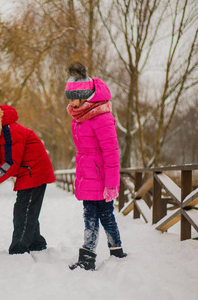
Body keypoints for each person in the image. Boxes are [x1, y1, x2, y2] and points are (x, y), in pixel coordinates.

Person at [0, 99, 56, 255]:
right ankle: (37, 243)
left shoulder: (9, 130)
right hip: (26, 171)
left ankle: (18, 250)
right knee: (27, 210)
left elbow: (9, 164)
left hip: (34, 170)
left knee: (23, 211)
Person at [64, 62, 127, 271]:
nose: (70, 103)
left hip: (100, 179)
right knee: (92, 215)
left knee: (103, 216)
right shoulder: (80, 117)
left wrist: (111, 184)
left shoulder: (101, 117)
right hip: (88, 176)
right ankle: (111, 252)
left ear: (84, 96)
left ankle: (94, 256)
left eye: (73, 99)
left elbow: (111, 154)